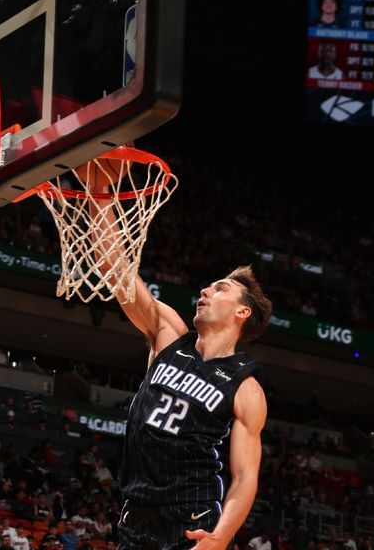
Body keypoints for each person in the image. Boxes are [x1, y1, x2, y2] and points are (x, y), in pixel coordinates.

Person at [85, 173, 270, 548]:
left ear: (242, 313)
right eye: (209, 285)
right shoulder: (169, 334)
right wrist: (100, 198)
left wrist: (220, 538)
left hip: (190, 522)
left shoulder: (245, 387)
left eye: (221, 289)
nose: (205, 290)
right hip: (134, 513)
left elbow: (244, 477)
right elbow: (118, 271)